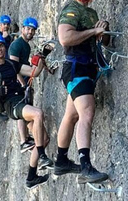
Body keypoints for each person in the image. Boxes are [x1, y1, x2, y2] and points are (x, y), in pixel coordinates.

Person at [0, 34, 54, 189]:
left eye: (1, 46)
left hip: (20, 102)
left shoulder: (11, 64)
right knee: (38, 113)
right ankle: (41, 155)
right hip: (11, 106)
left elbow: (34, 72)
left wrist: (42, 56)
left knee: (44, 139)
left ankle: (31, 177)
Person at [54, 0, 111, 184]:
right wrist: (93, 31)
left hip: (86, 68)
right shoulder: (72, 9)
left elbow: (102, 40)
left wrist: (103, 30)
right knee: (86, 112)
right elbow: (65, 38)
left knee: (71, 116)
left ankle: (61, 160)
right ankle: (85, 166)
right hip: (76, 68)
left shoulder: (91, 12)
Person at [9, 17, 41, 153]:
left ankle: (26, 139)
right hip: (17, 82)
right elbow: (13, 66)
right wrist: (23, 84)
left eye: (32, 30)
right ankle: (23, 140)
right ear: (22, 29)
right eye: (28, 29)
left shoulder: (26, 45)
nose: (30, 32)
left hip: (23, 80)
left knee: (24, 110)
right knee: (22, 110)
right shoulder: (16, 44)